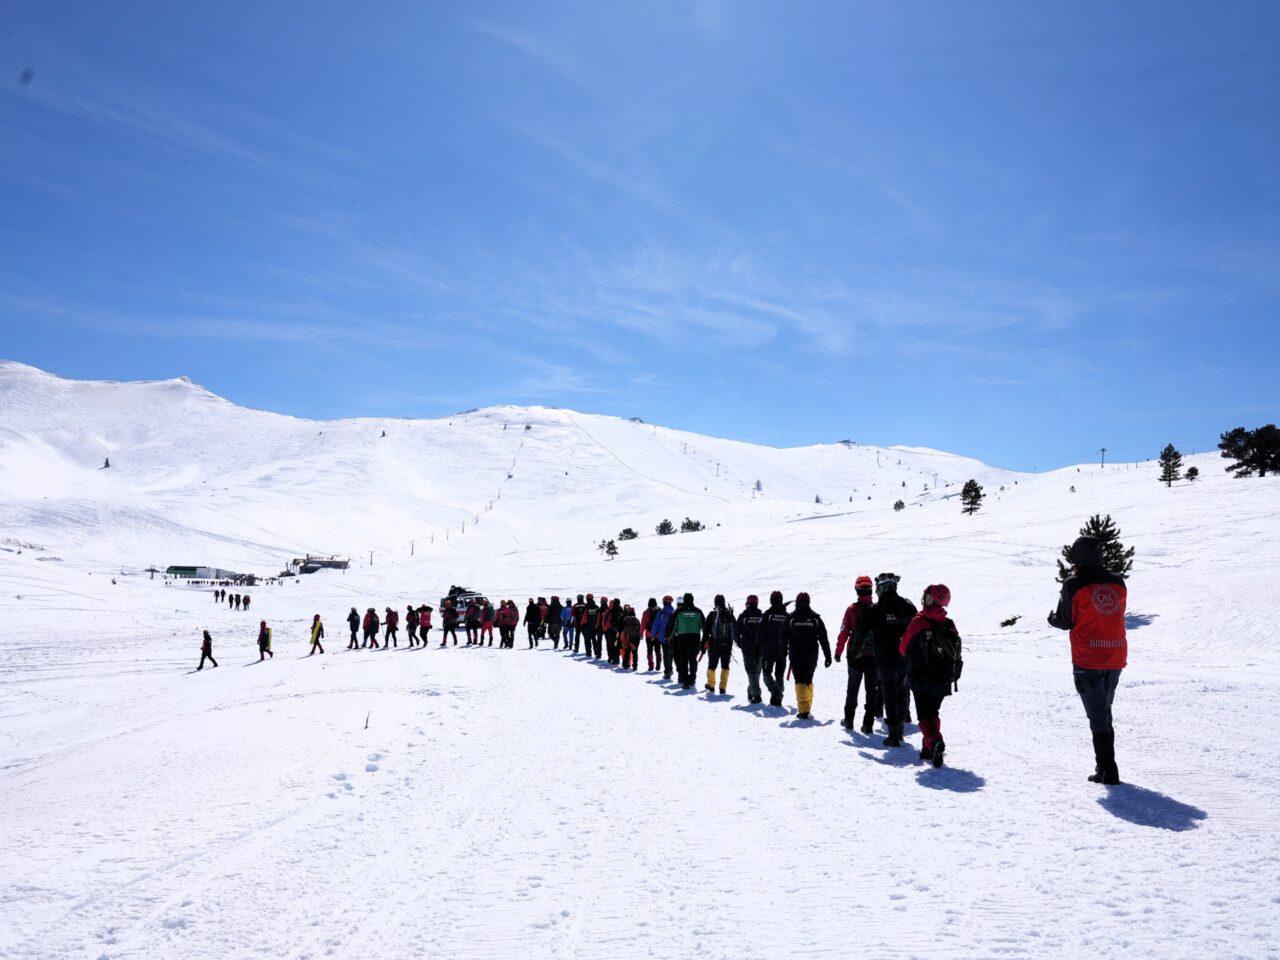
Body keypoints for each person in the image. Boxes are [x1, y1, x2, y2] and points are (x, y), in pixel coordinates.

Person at [1049, 535, 1128, 785]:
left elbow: (1065, 621)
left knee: (1097, 714)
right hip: (1115, 654)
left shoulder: (1074, 584)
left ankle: (1107, 770)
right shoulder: (1118, 582)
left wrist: (1052, 619)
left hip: (1088, 658)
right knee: (1104, 710)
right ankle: (1105, 766)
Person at [900, 584, 961, 767]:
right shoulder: (950, 624)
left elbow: (903, 648)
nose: (924, 600)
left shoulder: (918, 622)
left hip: (921, 679)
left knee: (924, 717)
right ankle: (928, 750)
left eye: (928, 597)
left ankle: (935, 741)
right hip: (943, 680)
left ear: (933, 600)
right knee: (933, 713)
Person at [860, 573, 917, 747]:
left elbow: (861, 629)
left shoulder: (875, 609)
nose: (876, 591)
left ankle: (893, 736)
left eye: (877, 588)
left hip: (885, 660)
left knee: (890, 695)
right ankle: (899, 731)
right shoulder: (907, 605)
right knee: (902, 692)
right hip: (905, 658)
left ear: (883, 588)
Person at [836, 575, 881, 734]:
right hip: (873, 656)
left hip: (855, 655)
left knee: (852, 688)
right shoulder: (878, 609)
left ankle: (848, 720)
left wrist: (838, 651)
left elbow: (844, 632)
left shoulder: (851, 609)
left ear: (857, 589)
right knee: (871, 691)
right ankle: (868, 724)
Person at [787, 592, 832, 719]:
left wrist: (783, 649)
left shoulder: (791, 618)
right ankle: (807, 707)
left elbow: (781, 635)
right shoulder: (815, 618)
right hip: (811, 655)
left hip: (796, 654)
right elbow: (824, 638)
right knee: (808, 679)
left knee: (799, 680)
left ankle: (803, 710)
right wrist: (828, 656)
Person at [665, 593, 705, 689]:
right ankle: (692, 679)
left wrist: (670, 637)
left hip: (683, 639)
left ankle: (685, 681)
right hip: (695, 638)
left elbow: (674, 625)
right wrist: (706, 639)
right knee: (693, 659)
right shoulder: (698, 611)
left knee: (683, 659)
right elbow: (704, 627)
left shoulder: (679, 611)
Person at [759, 591, 790, 707]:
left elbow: (760, 632)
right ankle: (778, 695)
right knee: (779, 675)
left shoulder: (767, 614)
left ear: (771, 601)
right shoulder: (787, 616)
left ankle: (775, 692)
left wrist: (758, 647)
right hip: (782, 651)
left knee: (766, 673)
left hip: (768, 651)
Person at [702, 594, 735, 694]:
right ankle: (723, 687)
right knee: (725, 666)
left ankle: (711, 685)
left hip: (714, 645)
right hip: (727, 645)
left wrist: (703, 646)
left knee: (712, 665)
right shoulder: (730, 614)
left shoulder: (712, 615)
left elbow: (706, 631)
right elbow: (735, 628)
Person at [736, 595, 765, 704]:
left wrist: (740, 644)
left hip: (747, 648)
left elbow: (736, 632)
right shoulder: (762, 616)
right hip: (760, 648)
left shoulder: (743, 616)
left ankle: (756, 695)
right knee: (756, 671)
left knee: (751, 671)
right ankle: (751, 691)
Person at [652, 596, 674, 678]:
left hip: (663, 637)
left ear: (664, 602)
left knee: (665, 654)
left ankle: (667, 672)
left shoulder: (661, 613)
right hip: (672, 637)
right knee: (670, 654)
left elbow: (656, 624)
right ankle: (670, 669)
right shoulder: (674, 612)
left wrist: (653, 634)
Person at [620, 604, 642, 670]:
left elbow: (622, 629)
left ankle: (625, 664)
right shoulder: (637, 620)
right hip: (636, 638)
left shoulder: (626, 620)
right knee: (635, 652)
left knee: (627, 651)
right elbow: (639, 629)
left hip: (628, 638)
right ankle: (635, 665)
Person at [640, 598, 659, 671]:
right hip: (657, 635)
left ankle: (651, 666)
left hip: (649, 635)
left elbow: (643, 624)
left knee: (649, 650)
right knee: (657, 650)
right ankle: (658, 664)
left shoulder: (646, 612)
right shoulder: (659, 611)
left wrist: (641, 634)